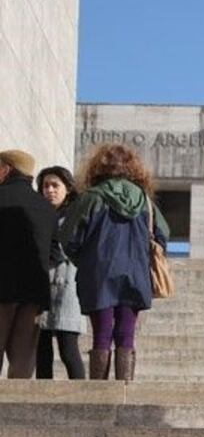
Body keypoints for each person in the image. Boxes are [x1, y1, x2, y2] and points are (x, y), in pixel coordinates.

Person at [59, 144, 170, 381]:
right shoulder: (143, 200)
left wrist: (84, 259)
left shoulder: (91, 198)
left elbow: (68, 237)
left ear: (98, 167)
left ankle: (99, 391)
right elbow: (163, 234)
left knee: (101, 332)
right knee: (126, 333)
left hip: (98, 273)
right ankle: (124, 388)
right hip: (134, 273)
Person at [0, 149, 58, 378]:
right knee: (23, 354)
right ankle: (15, 405)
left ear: (6, 169)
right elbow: (55, 251)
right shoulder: (46, 207)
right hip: (34, 290)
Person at [35, 166, 85, 380]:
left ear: (68, 188)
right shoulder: (38, 214)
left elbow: (70, 248)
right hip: (42, 287)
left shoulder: (77, 214)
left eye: (55, 185)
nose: (50, 190)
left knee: (68, 347)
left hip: (68, 285)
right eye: (45, 186)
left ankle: (82, 396)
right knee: (41, 349)